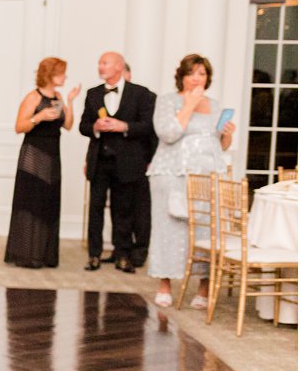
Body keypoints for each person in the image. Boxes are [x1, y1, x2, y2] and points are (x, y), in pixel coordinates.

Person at [147, 54, 235, 308]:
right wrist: (189, 105)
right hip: (172, 173)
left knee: (207, 230)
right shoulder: (167, 101)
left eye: (202, 74)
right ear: (182, 77)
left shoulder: (215, 105)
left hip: (208, 176)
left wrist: (227, 136)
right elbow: (168, 134)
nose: (197, 78)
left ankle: (204, 287)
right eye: (192, 73)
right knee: (170, 228)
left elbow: (220, 145)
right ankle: (165, 283)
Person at [79, 51, 156, 272]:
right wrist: (94, 127)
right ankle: (94, 255)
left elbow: (148, 126)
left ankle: (122, 254)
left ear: (119, 66)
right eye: (99, 62)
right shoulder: (93, 94)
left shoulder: (140, 94)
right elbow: (83, 126)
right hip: (99, 161)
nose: (100, 67)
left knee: (123, 210)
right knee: (95, 208)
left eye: (105, 63)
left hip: (127, 162)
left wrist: (125, 127)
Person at [4, 57, 80, 269]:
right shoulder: (33, 97)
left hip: (53, 155)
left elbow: (68, 125)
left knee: (48, 201)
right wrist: (40, 117)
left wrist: (71, 102)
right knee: (32, 201)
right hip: (34, 155)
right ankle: (27, 253)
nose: (65, 77)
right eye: (62, 73)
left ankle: (45, 254)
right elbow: (19, 127)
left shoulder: (58, 96)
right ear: (50, 75)